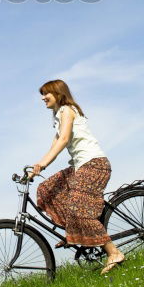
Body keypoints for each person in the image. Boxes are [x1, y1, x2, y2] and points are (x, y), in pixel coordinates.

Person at [29, 78, 125, 274]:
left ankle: (113, 252)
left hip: (94, 164)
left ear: (58, 93)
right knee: (46, 189)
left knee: (78, 208)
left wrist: (43, 164)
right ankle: (75, 231)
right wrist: (36, 168)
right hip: (79, 167)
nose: (42, 98)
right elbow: (54, 145)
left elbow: (64, 140)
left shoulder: (67, 110)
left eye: (46, 93)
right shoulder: (58, 116)